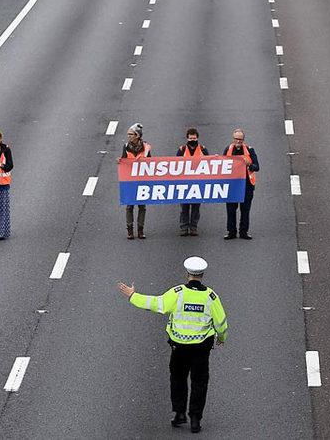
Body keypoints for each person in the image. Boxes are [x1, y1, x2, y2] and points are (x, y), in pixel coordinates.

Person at [118, 256, 228, 434]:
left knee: (178, 379)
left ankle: (179, 414)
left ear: (187, 274)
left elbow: (156, 304)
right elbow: (221, 323)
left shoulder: (178, 293)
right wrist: (222, 338)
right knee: (199, 382)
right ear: (202, 275)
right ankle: (195, 419)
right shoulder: (211, 297)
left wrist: (133, 295)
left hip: (179, 347)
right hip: (201, 349)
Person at [224, 128, 259, 240]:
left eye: (240, 139)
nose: (238, 142)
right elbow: (222, 166)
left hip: (246, 185)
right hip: (232, 185)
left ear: (243, 140)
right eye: (236, 139)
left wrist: (249, 165)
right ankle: (231, 232)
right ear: (233, 139)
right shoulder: (227, 150)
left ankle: (244, 232)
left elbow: (257, 167)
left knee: (245, 210)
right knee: (231, 210)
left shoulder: (250, 150)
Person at [122, 123, 151, 240]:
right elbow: (124, 161)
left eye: (131, 134)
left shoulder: (146, 148)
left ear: (137, 136)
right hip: (130, 180)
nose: (128, 136)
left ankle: (140, 230)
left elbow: (151, 163)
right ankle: (129, 230)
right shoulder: (125, 146)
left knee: (142, 206)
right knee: (129, 206)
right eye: (128, 134)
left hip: (142, 180)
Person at [177, 128, 208, 237]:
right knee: (184, 207)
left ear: (197, 138)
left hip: (198, 182)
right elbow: (175, 165)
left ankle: (193, 227)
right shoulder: (182, 150)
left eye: (194, 138)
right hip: (184, 182)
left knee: (196, 207)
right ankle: (184, 227)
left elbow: (209, 164)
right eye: (190, 138)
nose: (192, 140)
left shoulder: (203, 150)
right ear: (187, 138)